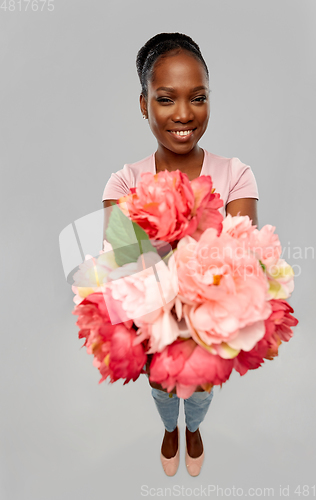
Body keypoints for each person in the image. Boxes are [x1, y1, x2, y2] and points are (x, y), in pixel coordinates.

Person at [101, 32, 259, 477]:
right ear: (143, 103)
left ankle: (194, 428)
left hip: (212, 325)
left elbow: (245, 260)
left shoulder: (236, 175)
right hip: (153, 325)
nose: (185, 115)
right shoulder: (123, 184)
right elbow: (127, 266)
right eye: (166, 99)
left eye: (199, 97)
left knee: (202, 388)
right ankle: (171, 429)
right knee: (162, 387)